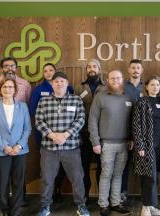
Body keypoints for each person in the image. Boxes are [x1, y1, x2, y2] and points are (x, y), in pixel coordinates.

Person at [35, 71, 90, 216]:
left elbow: (80, 120)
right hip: (49, 148)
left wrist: (65, 135)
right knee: (47, 178)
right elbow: (39, 121)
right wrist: (53, 135)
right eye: (56, 81)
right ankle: (45, 206)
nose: (59, 83)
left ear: (67, 84)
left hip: (71, 147)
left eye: (62, 81)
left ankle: (81, 205)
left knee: (77, 178)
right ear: (52, 84)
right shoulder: (43, 101)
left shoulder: (76, 100)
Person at [88, 70, 132, 216]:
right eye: (112, 78)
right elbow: (92, 120)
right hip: (106, 144)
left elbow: (133, 121)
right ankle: (103, 205)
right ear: (107, 80)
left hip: (124, 144)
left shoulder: (128, 97)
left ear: (122, 79)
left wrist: (132, 138)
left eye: (118, 78)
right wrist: (95, 142)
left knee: (118, 174)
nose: (115, 80)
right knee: (106, 174)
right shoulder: (100, 97)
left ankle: (115, 202)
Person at [28, 63, 74, 202]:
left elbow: (73, 109)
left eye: (51, 70)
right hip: (44, 135)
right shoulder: (38, 89)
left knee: (62, 166)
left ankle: (58, 190)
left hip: (65, 135)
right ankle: (48, 195)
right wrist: (49, 132)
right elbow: (32, 111)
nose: (48, 73)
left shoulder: (69, 88)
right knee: (47, 167)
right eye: (45, 71)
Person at [0, 78, 31, 216]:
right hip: (0, 152)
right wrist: (5, 147)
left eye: (11, 87)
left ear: (15, 90)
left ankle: (15, 212)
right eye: (5, 87)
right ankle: (5, 210)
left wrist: (19, 145)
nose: (8, 89)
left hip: (20, 151)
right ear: (0, 89)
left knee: (18, 182)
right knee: (2, 183)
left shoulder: (23, 107)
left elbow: (27, 129)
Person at [133, 75, 160, 216]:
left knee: (157, 176)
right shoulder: (142, 102)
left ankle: (152, 204)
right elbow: (136, 125)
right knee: (149, 176)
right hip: (147, 146)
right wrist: (140, 146)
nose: (155, 87)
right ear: (146, 87)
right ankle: (145, 207)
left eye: (158, 85)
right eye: (152, 85)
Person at [75, 59, 106, 203]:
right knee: (83, 166)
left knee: (102, 167)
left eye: (95, 66)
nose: (92, 69)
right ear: (86, 70)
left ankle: (102, 196)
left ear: (99, 69)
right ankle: (85, 196)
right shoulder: (79, 88)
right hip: (83, 133)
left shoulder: (106, 88)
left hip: (103, 135)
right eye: (89, 67)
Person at [122, 59, 144, 202]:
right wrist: (130, 137)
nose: (135, 70)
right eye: (133, 68)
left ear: (141, 70)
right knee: (124, 165)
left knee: (144, 165)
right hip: (125, 131)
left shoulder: (147, 86)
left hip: (143, 133)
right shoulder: (122, 86)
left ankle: (145, 195)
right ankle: (122, 192)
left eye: (138, 68)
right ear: (129, 70)